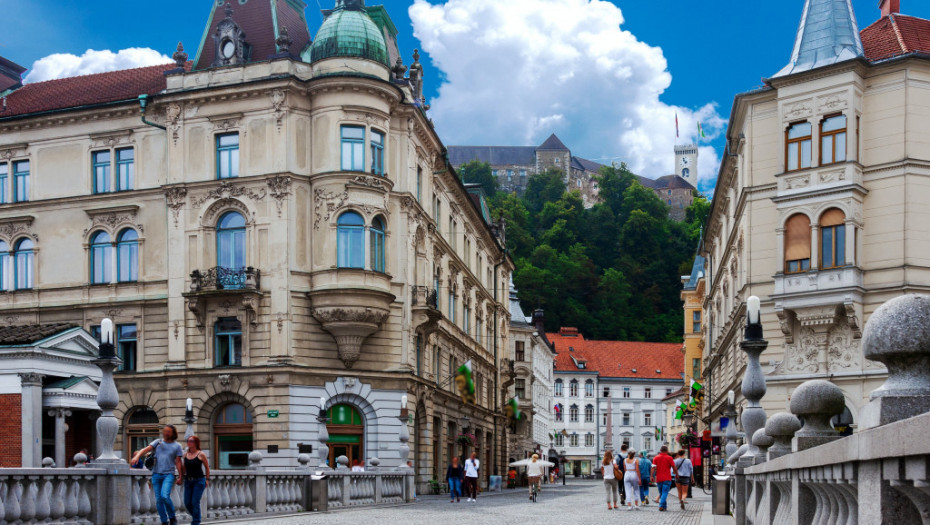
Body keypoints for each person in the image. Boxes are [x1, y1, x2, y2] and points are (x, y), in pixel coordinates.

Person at [131, 424, 183, 525]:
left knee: (164, 496)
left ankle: (172, 517)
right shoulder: (157, 442)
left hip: (168, 474)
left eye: (168, 431)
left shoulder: (177, 446)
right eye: (165, 431)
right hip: (156, 474)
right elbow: (144, 450)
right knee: (158, 500)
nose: (166, 433)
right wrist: (137, 457)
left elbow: (178, 462)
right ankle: (164, 521)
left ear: (173, 433)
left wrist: (180, 476)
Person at [176, 435, 210, 525]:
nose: (189, 442)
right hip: (188, 481)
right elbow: (184, 468)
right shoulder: (185, 454)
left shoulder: (201, 454)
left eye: (191, 441)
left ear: (196, 443)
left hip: (199, 481)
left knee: (195, 502)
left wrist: (207, 479)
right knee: (187, 503)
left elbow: (207, 468)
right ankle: (196, 517)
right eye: (188, 441)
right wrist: (180, 478)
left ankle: (196, 522)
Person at [651, 446, 677, 512]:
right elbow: (674, 467)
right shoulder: (669, 458)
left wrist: (651, 476)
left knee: (661, 493)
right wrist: (676, 474)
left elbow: (653, 468)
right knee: (665, 493)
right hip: (667, 478)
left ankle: (664, 507)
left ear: (660, 450)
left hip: (659, 478)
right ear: (667, 450)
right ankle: (661, 505)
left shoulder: (656, 457)